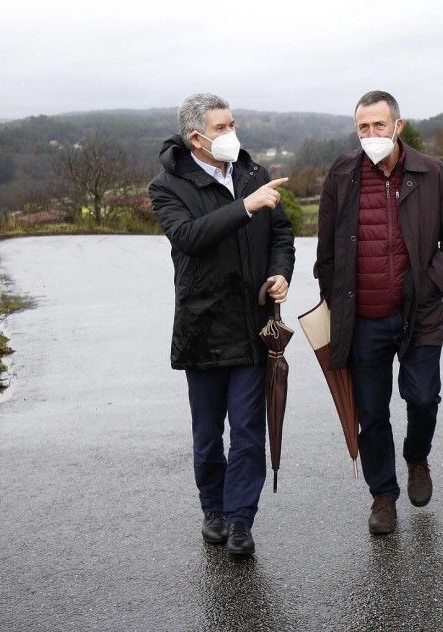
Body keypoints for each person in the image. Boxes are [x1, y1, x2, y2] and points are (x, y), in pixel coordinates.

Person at [314, 90, 443, 535]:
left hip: (419, 314)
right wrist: (334, 297)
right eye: (363, 127)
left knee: (422, 398)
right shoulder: (342, 174)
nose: (371, 134)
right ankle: (383, 495)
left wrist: (434, 283)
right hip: (362, 318)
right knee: (373, 413)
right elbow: (326, 248)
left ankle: (417, 457)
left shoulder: (430, 171)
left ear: (398, 126)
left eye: (379, 125)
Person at [149, 93, 295, 556]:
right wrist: (246, 206)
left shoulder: (252, 173)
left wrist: (280, 272)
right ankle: (212, 507)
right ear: (196, 138)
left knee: (249, 431)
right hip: (204, 329)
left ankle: (240, 521)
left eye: (233, 123)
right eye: (222, 127)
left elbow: (281, 234)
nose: (232, 133)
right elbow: (190, 237)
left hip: (252, 327)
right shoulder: (169, 186)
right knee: (209, 434)